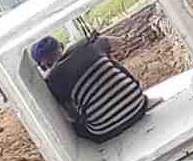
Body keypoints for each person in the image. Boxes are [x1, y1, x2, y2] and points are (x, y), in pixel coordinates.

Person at [30, 34, 160, 143]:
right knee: (109, 62)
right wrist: (97, 42)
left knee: (72, 115)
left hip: (104, 132)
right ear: (61, 46)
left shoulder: (52, 82)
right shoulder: (87, 47)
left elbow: (71, 115)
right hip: (139, 107)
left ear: (42, 66)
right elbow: (118, 42)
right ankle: (132, 96)